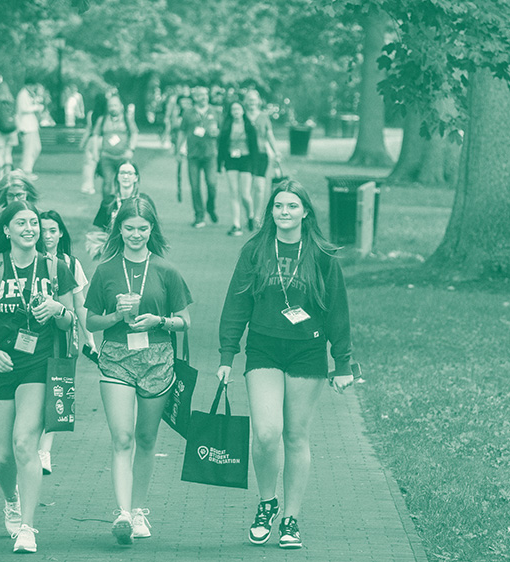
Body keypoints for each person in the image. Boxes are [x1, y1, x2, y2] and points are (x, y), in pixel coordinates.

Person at [216, 180, 355, 550]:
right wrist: (226, 355)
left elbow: (337, 311)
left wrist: (343, 363)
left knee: (295, 434)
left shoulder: (322, 255)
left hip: (307, 352)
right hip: (263, 349)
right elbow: (236, 303)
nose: (285, 212)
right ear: (271, 210)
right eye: (279, 206)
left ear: (305, 212)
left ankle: (290, 518)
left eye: (292, 206)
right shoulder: (256, 250)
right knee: (265, 432)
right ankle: (267, 503)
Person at [0, 201, 78, 554]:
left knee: (24, 444)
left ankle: (27, 527)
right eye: (22, 223)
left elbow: (71, 320)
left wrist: (59, 309)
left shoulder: (56, 268)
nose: (30, 228)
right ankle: (11, 499)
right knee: (2, 456)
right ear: (7, 230)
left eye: (34, 223)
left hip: (38, 365)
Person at [84, 195, 192, 545]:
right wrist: (116, 316)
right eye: (129, 228)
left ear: (152, 229)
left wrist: (157, 320)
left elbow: (184, 321)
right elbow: (90, 319)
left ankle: (139, 508)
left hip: (157, 358)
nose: (136, 234)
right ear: (119, 229)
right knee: (122, 437)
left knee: (146, 439)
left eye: (142, 228)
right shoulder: (105, 269)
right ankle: (122, 512)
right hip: (115, 356)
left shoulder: (166, 270)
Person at [35, 210, 98, 476]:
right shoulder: (29, 261)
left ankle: (43, 452)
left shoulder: (71, 265)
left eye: (53, 230)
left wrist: (90, 338)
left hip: (62, 339)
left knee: (55, 395)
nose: (48, 236)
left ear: (61, 233)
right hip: (32, 339)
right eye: (43, 230)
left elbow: (80, 304)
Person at [176, 86, 221, 228]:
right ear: (194, 98)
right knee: (195, 186)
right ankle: (199, 215)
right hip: (193, 155)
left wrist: (217, 132)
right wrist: (178, 151)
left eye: (205, 95)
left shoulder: (215, 112)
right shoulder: (188, 113)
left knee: (212, 184)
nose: (204, 97)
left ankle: (211, 207)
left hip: (210, 154)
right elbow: (182, 132)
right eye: (200, 95)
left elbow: (223, 131)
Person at [218, 100, 258, 237]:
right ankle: (236, 224)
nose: (236, 112)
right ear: (230, 112)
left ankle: (250, 216)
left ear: (243, 111)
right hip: (231, 160)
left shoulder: (249, 126)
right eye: (233, 109)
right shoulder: (227, 126)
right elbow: (221, 146)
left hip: (246, 160)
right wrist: (220, 164)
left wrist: (255, 165)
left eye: (238, 109)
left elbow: (255, 147)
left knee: (245, 194)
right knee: (233, 192)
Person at [86, 160, 141, 259]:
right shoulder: (108, 202)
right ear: (117, 177)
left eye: (129, 173)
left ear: (136, 177)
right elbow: (100, 231)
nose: (125, 176)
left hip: (137, 250)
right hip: (113, 253)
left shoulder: (143, 201)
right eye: (122, 173)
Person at [94, 94, 139, 210]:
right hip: (106, 157)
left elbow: (134, 133)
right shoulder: (102, 120)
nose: (113, 108)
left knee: (125, 183)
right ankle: (107, 210)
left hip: (123, 157)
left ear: (121, 106)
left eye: (115, 105)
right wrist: (95, 153)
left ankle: (126, 208)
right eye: (110, 105)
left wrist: (131, 149)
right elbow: (96, 136)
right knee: (107, 184)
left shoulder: (127, 119)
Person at [244, 90, 280, 227]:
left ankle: (257, 216)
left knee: (259, 187)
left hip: (261, 155)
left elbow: (269, 135)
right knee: (245, 191)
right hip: (245, 156)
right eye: (249, 100)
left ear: (258, 102)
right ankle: (250, 213)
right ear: (245, 102)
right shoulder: (243, 116)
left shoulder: (264, 117)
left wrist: (276, 151)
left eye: (254, 100)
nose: (252, 103)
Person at [17, 78, 45, 179]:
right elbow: (23, 109)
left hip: (32, 126)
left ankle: (26, 168)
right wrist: (37, 107)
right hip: (26, 126)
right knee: (29, 149)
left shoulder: (29, 94)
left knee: (37, 148)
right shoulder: (23, 94)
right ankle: (26, 171)